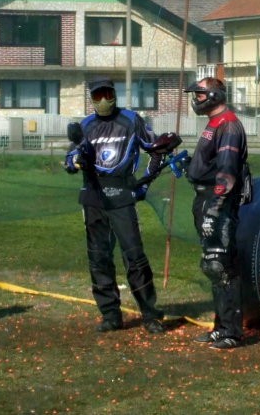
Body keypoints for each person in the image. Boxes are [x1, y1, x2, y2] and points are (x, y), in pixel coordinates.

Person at [64, 78, 166, 334]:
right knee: (99, 258)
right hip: (93, 198)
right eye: (97, 95)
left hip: (122, 196)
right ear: (92, 98)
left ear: (114, 95)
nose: (102, 100)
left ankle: (150, 315)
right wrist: (73, 161)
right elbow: (70, 157)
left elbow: (155, 150)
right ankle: (110, 315)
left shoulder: (132, 120)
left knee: (134, 256)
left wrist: (144, 184)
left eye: (107, 94)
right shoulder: (85, 125)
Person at [185, 77, 248, 350]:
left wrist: (214, 209)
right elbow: (210, 165)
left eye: (199, 95)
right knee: (212, 265)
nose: (195, 99)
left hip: (218, 201)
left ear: (213, 95)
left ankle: (232, 332)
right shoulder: (215, 123)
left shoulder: (229, 125)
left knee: (222, 265)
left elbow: (226, 172)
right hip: (205, 198)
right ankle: (220, 327)